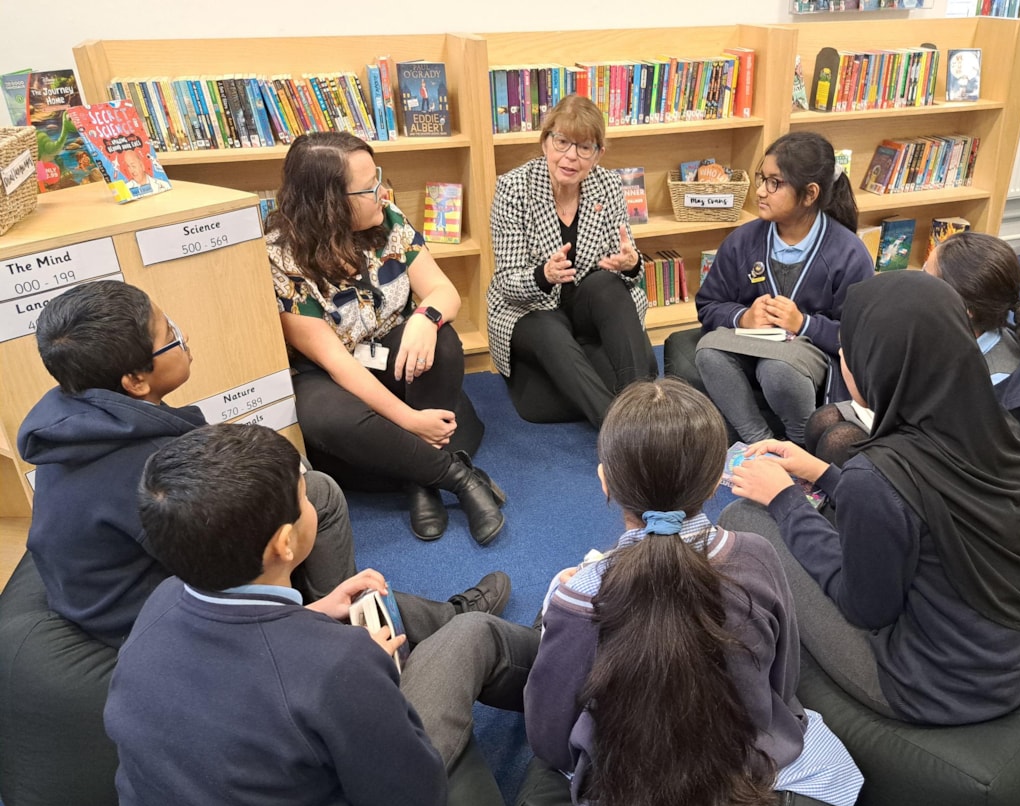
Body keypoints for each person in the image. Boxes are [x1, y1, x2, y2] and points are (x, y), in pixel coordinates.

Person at [105, 424, 540, 806]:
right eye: (304, 497)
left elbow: (251, 665)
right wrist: (364, 673)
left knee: (376, 605)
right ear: (284, 545)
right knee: (470, 637)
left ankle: (463, 617)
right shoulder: (339, 666)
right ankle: (555, 649)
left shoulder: (162, 602)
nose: (316, 501)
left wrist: (315, 613)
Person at [17, 281, 505, 648]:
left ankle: (357, 609)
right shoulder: (148, 477)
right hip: (158, 627)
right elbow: (219, 590)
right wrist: (305, 615)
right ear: (135, 381)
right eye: (169, 337)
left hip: (149, 584)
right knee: (310, 501)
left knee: (319, 492)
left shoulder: (85, 412)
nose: (183, 339)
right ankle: (370, 630)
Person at [524, 379, 861, 806]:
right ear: (712, 484)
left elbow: (549, 736)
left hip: (625, 797)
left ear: (605, 483)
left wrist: (561, 601)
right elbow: (784, 678)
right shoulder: (755, 554)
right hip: (748, 764)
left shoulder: (579, 599)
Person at [723, 271, 1020, 727]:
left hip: (935, 687)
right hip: (1019, 658)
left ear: (879, 366)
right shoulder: (1000, 427)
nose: (842, 357)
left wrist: (786, 500)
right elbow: (922, 510)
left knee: (744, 516)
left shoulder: (879, 473)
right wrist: (822, 472)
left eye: (849, 350)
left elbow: (865, 608)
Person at [266, 132, 505, 545]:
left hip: (386, 350)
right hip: (331, 375)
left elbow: (445, 292)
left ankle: (416, 480)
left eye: (378, 177)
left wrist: (424, 318)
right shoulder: (282, 258)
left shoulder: (389, 220)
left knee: (444, 343)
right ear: (329, 204)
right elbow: (339, 363)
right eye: (369, 186)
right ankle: (455, 477)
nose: (383, 191)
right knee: (325, 417)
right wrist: (413, 421)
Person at [806, 232, 1020, 470]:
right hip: (933, 441)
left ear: (964, 309)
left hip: (971, 483)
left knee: (839, 442)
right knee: (823, 419)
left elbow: (962, 470)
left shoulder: (1000, 390)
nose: (913, 285)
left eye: (926, 278)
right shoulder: (957, 331)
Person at [486, 95, 657, 429]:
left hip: (585, 306)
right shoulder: (513, 188)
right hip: (530, 308)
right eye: (562, 141)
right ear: (545, 141)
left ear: (598, 154)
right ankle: (621, 429)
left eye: (584, 147)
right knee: (549, 329)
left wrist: (631, 264)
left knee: (606, 284)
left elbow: (627, 276)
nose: (570, 157)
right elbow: (506, 282)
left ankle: (640, 410)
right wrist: (544, 274)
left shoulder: (607, 185)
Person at [694, 131, 875, 446]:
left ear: (809, 194)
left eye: (774, 183)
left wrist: (804, 323)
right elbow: (708, 304)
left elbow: (859, 337)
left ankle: (801, 442)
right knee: (708, 351)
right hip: (753, 342)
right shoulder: (743, 241)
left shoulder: (848, 253)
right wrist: (742, 317)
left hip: (809, 353)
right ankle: (759, 441)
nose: (761, 191)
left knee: (779, 367)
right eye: (761, 178)